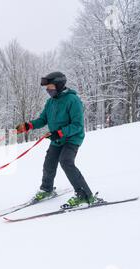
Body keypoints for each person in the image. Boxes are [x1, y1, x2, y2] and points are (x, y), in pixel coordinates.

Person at [16, 71, 98, 208]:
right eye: (47, 87)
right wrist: (28, 125)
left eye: (50, 87)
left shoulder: (73, 100)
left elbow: (77, 125)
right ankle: (47, 189)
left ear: (59, 85)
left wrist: (59, 133)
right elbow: (43, 119)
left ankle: (85, 195)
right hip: (57, 139)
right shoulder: (50, 102)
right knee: (49, 162)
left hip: (72, 139)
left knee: (66, 161)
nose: (48, 90)